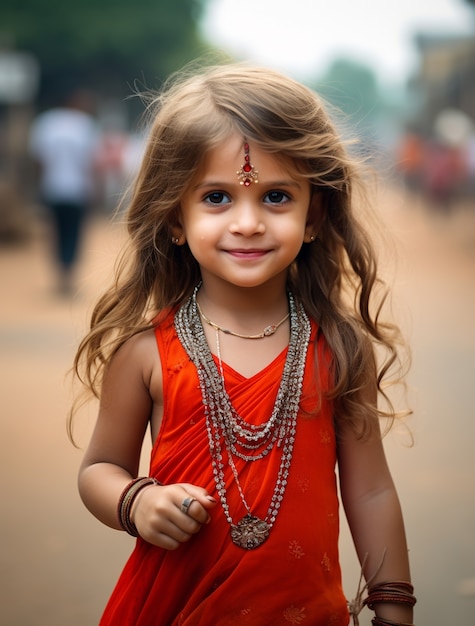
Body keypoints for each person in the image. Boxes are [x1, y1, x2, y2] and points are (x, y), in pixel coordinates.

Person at [70, 64, 415, 626]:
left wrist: (395, 606)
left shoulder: (340, 349)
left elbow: (372, 492)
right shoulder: (144, 353)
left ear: (314, 215)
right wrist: (137, 501)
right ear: (174, 216)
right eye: (216, 198)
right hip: (174, 608)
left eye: (277, 196)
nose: (248, 222)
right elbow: (100, 468)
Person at [29, 88, 100, 295]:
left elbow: (38, 160)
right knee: (73, 232)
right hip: (77, 189)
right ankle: (68, 276)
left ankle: (60, 275)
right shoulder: (85, 124)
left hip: (53, 188)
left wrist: (39, 186)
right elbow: (91, 162)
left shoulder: (45, 123)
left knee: (56, 232)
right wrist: (95, 187)